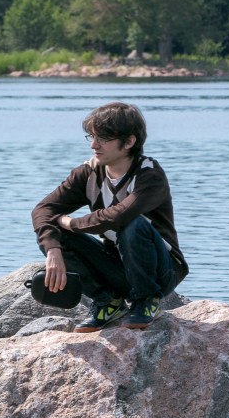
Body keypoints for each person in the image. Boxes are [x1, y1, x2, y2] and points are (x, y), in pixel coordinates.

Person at [31, 102, 188, 332]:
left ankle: (147, 300)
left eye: (103, 138)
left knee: (133, 224)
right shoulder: (89, 172)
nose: (94, 145)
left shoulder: (149, 174)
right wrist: (53, 249)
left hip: (161, 273)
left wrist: (72, 223)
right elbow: (43, 209)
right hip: (119, 270)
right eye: (92, 137)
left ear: (129, 142)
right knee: (53, 233)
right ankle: (109, 302)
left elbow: (119, 216)